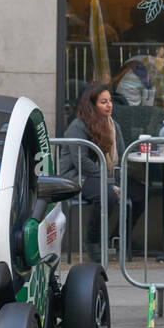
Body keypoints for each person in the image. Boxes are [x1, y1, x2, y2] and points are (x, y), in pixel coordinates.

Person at [60, 83, 143, 259]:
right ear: (92, 105)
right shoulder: (78, 126)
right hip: (78, 175)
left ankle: (119, 237)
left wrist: (116, 179)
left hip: (106, 175)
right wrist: (109, 180)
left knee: (140, 194)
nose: (109, 105)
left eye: (110, 101)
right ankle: (93, 241)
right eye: (103, 102)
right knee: (107, 195)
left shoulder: (113, 126)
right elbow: (81, 160)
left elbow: (119, 157)